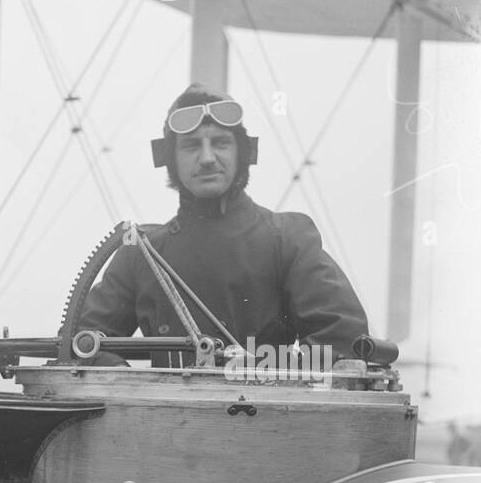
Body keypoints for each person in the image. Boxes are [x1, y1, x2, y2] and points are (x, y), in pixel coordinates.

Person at [73, 85, 369, 366]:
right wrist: (127, 383)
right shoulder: (143, 251)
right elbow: (82, 343)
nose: (207, 158)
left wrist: (262, 366)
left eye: (220, 143)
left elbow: (343, 341)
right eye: (191, 146)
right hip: (161, 415)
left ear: (244, 153)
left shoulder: (288, 238)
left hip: (266, 414)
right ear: (169, 159)